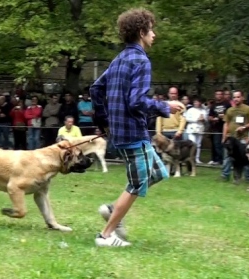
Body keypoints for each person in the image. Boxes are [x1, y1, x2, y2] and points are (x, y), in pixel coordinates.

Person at [90, 8, 183, 247]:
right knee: (137, 183)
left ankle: (113, 209)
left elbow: (95, 89)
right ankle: (106, 234)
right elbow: (137, 101)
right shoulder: (141, 60)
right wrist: (165, 107)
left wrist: (103, 121)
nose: (154, 35)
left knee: (159, 172)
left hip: (120, 133)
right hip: (133, 132)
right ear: (141, 32)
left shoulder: (119, 59)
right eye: (151, 30)